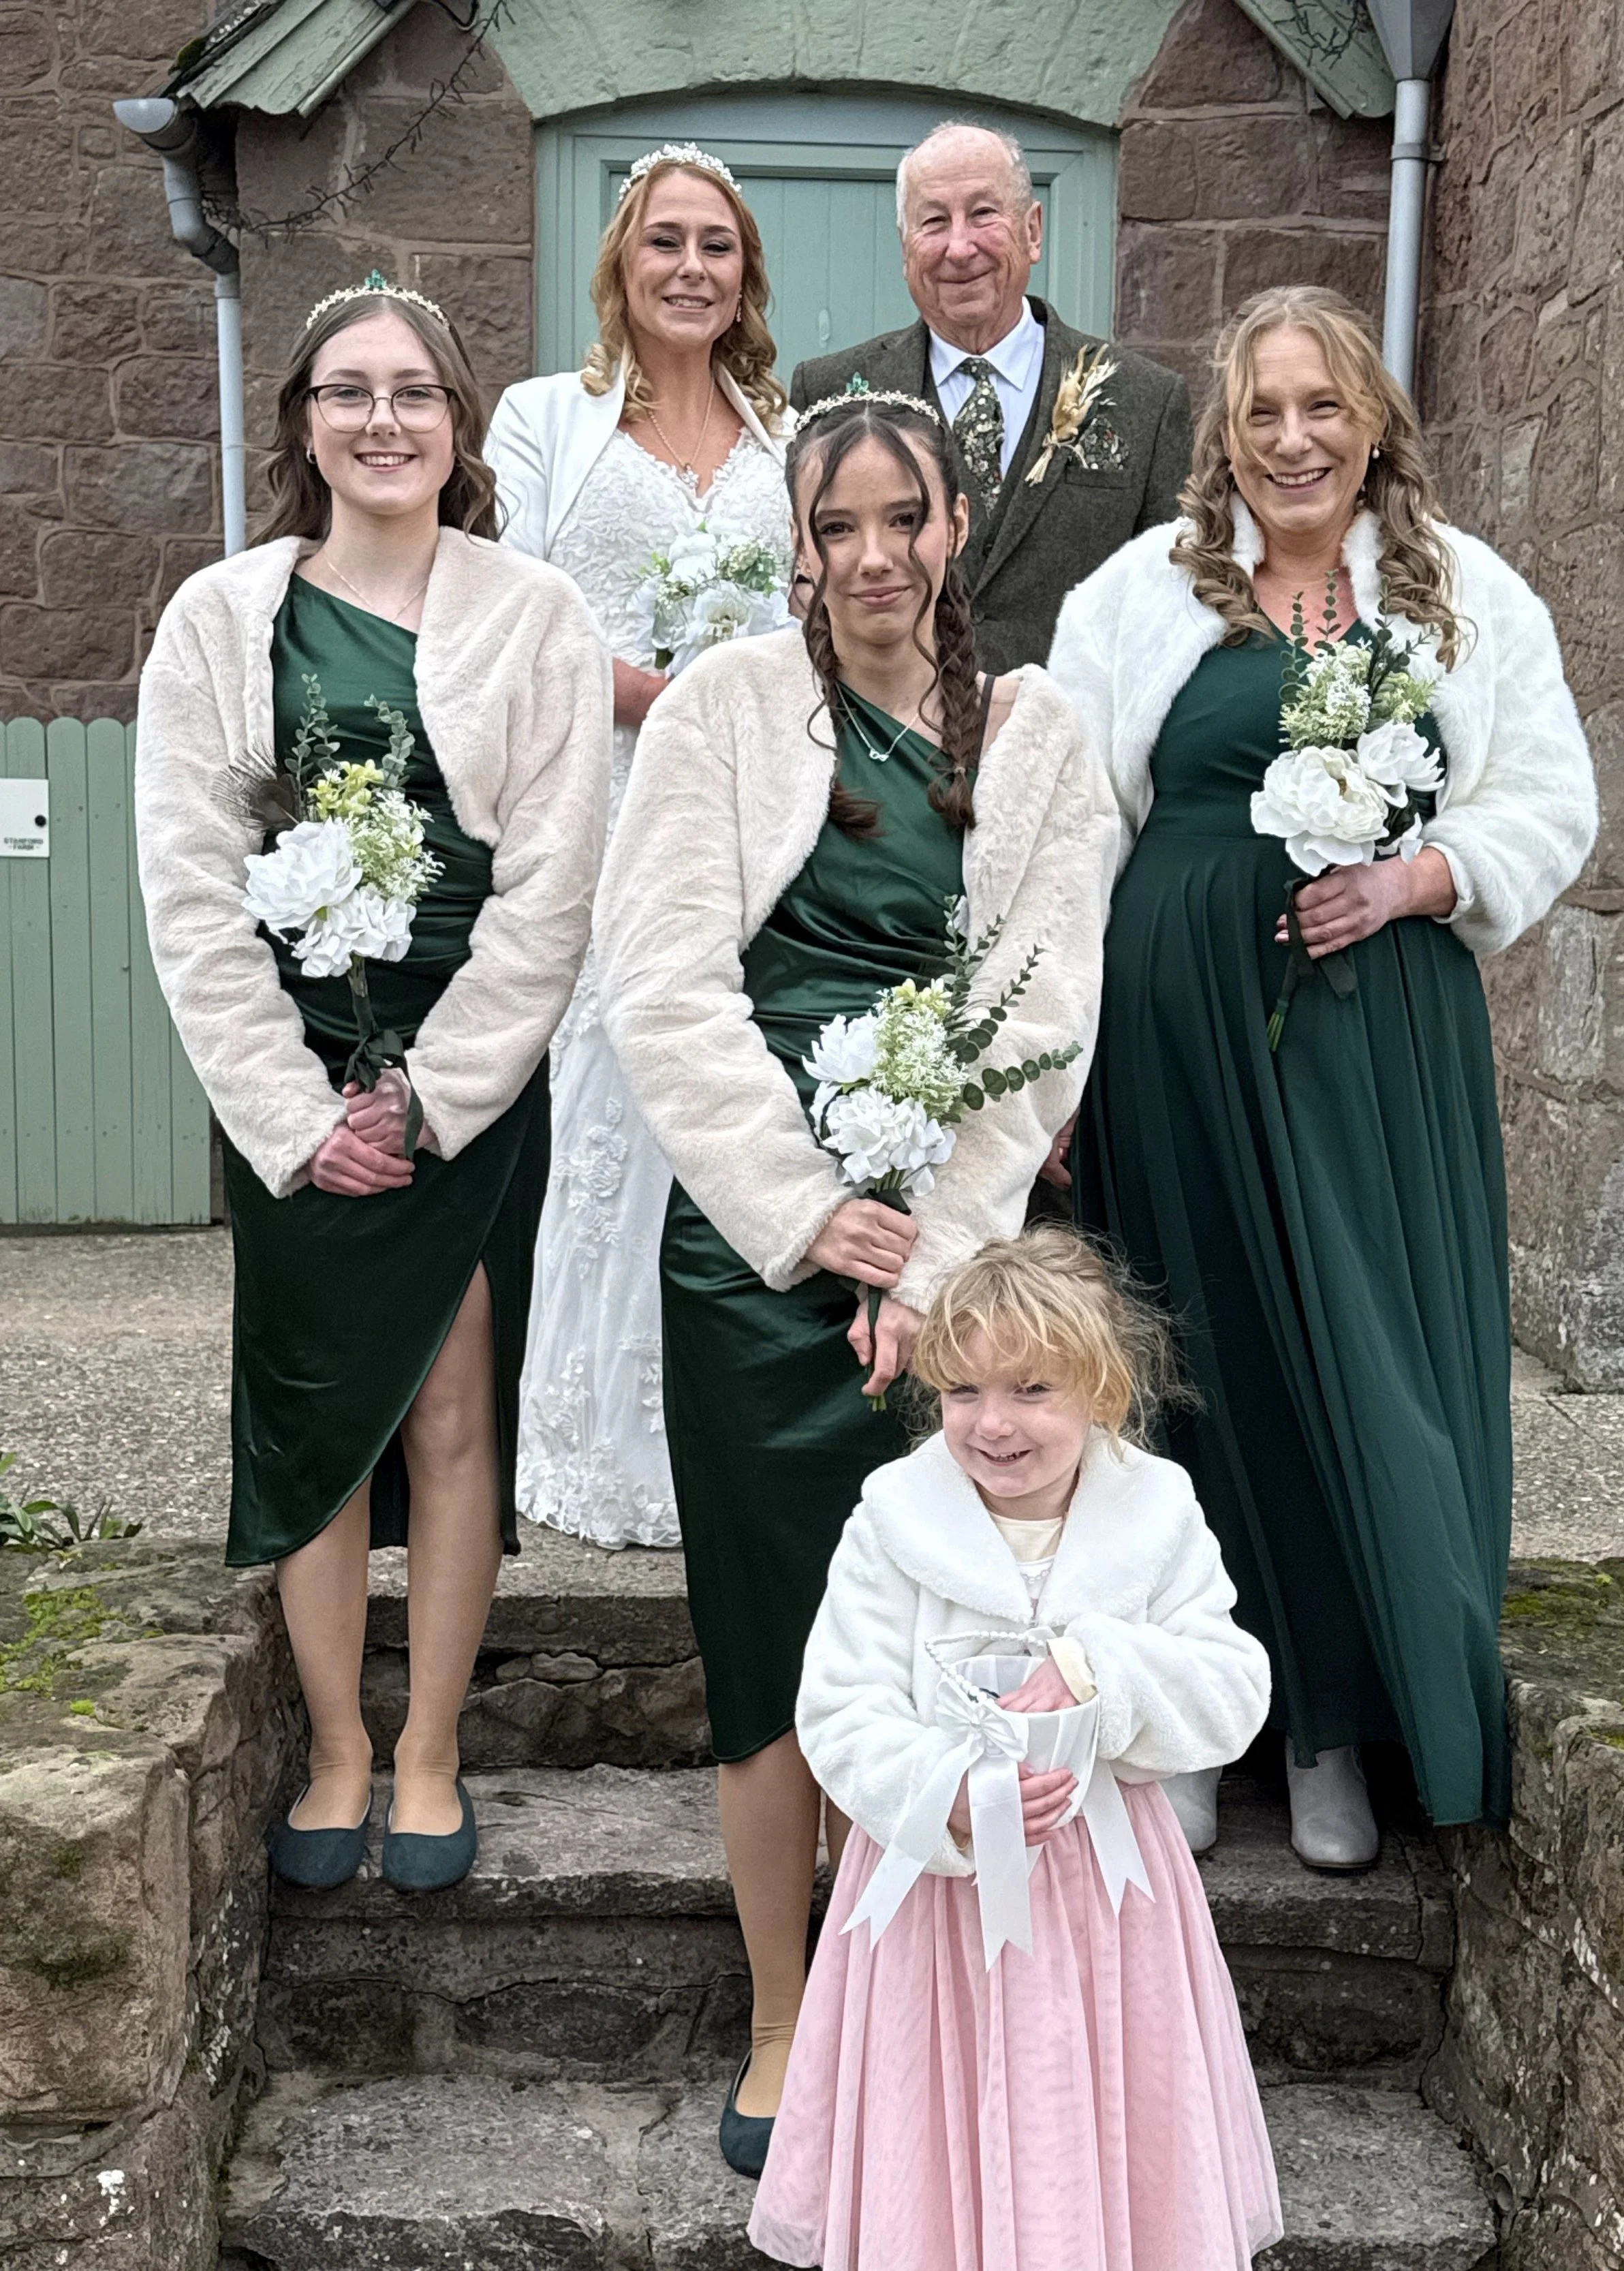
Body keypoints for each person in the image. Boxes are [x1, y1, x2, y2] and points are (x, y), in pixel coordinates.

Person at [596, 392, 1119, 2165]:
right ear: (798, 546)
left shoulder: (1036, 730)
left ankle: (938, 2004)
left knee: (949, 1649)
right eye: (839, 528)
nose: (873, 556)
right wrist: (809, 1211)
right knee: (767, 1647)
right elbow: (660, 981)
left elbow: (1044, 1007)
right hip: (755, 1258)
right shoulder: (728, 716)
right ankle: (782, 2006)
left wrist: (942, 1251)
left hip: (957, 1275)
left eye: (904, 518)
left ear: (952, 526)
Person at [1048, 285, 1597, 1866]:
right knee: (1192, 1359)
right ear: (1223, 436)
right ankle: (1196, 1718)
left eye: (1321, 410)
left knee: (1363, 1366)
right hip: (1172, 1037)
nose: (1292, 440)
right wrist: (1058, 1067)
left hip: (1375, 1046)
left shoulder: (1465, 597)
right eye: (1261, 413)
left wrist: (1422, 880)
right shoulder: (1137, 597)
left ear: (1372, 431)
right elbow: (1070, 825)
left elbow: (1550, 803)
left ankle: (1343, 1723)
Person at [135, 277, 612, 1893]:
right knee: (317, 1417)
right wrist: (289, 1112)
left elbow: (556, 883)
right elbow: (191, 891)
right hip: (293, 1070)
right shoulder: (218, 620)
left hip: (463, 1074)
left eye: (414, 392)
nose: (384, 420)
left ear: (459, 424)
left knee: (455, 1412)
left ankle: (431, 1749)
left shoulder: (534, 613)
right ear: (303, 424)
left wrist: (443, 1089)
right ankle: (338, 1742)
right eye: (350, 392)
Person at [748, 1225, 1279, 2270]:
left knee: (1086, 2118)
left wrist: (1105, 1669)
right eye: (963, 1393)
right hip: (933, 1905)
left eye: (1032, 1389)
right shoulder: (894, 1523)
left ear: (1103, 1391)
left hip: (1105, 1898)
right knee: (935, 2121)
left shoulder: (1155, 1517)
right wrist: (939, 1790)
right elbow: (838, 1708)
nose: (993, 1425)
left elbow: (1233, 1689)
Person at [484, 144, 792, 1550]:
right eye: (664, 242)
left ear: (743, 275)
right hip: (601, 793)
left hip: (744, 798)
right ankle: (598, 1443)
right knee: (614, 1091)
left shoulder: (787, 435)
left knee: (737, 1074)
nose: (688, 268)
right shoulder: (547, 419)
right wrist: (637, 692)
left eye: (714, 246)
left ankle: (729, 1429)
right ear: (622, 261)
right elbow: (489, 601)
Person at [790, 121, 1191, 672]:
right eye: (934, 222)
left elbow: (1169, 611)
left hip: (1072, 740)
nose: (960, 247)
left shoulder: (1146, 399)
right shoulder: (832, 392)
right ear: (906, 249)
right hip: (886, 738)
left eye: (983, 214)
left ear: (1033, 231)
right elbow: (807, 590)